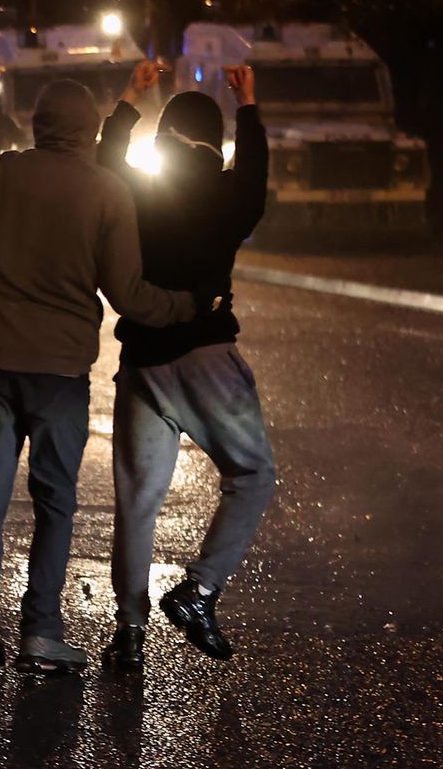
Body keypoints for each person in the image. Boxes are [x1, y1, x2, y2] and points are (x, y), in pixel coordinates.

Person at [0, 78, 206, 676]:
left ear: (36, 123)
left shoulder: (4, 174)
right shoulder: (108, 191)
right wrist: (188, 306)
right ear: (89, 131)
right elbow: (129, 295)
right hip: (59, 376)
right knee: (55, 504)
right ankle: (41, 635)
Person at [96, 61, 275, 671]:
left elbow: (106, 164)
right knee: (251, 475)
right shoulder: (228, 197)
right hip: (204, 356)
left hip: (142, 361)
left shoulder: (137, 193)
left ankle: (128, 629)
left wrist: (129, 99)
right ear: (213, 140)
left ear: (163, 136)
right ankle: (198, 592)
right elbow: (255, 179)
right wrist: (248, 107)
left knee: (138, 501)